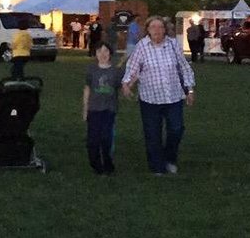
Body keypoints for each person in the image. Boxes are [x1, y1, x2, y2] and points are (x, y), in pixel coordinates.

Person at [122, 15, 195, 176]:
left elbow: (184, 67)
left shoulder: (173, 45)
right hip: (150, 99)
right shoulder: (142, 46)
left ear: (165, 29)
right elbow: (132, 67)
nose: (157, 30)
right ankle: (157, 166)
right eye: (153, 27)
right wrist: (126, 84)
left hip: (173, 97)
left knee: (176, 129)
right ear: (147, 30)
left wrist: (189, 90)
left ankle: (169, 159)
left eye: (160, 27)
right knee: (152, 133)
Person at [83, 42, 119, 174]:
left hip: (109, 109)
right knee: (93, 140)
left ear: (110, 54)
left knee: (106, 138)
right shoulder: (92, 70)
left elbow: (124, 85)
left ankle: (108, 164)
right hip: (93, 109)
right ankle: (96, 165)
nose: (102, 54)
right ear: (96, 54)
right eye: (99, 51)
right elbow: (87, 88)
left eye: (105, 51)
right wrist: (85, 108)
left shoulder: (116, 71)